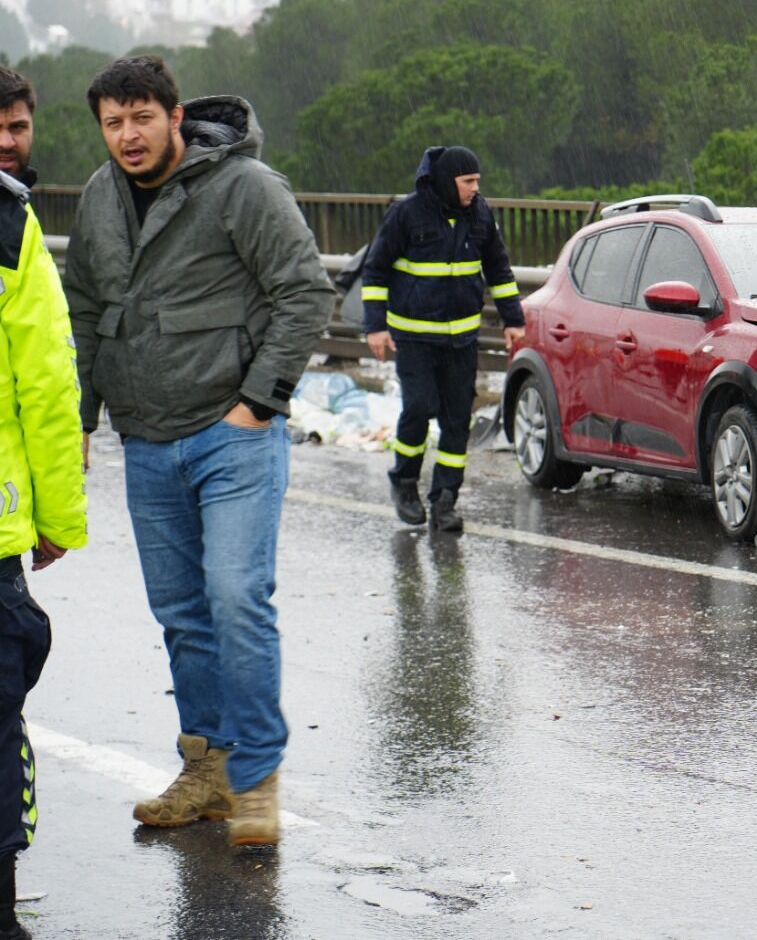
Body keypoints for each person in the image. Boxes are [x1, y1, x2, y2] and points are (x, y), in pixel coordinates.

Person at [62, 55, 334, 848]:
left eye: (142, 117)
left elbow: (305, 291)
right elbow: (83, 310)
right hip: (146, 437)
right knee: (182, 614)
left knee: (235, 599)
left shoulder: (244, 187)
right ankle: (205, 770)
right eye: (113, 122)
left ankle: (254, 781)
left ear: (175, 117)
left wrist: (259, 403)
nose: (128, 136)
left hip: (230, 433)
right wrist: (80, 417)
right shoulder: (99, 195)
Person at [0, 65, 87, 940]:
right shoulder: (10, 226)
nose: (7, 142)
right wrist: (58, 517)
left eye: (17, 126)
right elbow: (46, 384)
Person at [361, 146, 523, 531]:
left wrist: (512, 319)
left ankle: (445, 500)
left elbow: (499, 269)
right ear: (448, 181)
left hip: (462, 341)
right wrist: (376, 327)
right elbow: (376, 271)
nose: (475, 189)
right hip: (415, 339)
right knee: (417, 409)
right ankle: (404, 482)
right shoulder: (406, 214)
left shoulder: (481, 214)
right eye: (468, 182)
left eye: (477, 181)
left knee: (456, 420)